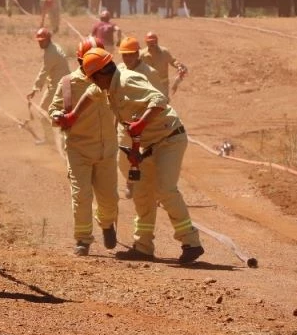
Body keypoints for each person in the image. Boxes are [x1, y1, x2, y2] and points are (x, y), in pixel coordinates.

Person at [79, 47, 205, 264]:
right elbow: (93, 96)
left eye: (93, 79)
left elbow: (159, 99)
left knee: (165, 189)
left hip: (169, 138)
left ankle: (191, 243)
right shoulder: (109, 87)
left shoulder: (127, 81)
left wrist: (141, 123)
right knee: (142, 193)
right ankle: (143, 246)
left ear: (101, 74)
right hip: (146, 145)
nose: (93, 84)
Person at [48, 39, 118, 257]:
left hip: (107, 148)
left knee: (109, 198)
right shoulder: (68, 83)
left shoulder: (113, 80)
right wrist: (57, 116)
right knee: (81, 195)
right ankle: (83, 239)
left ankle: (106, 224)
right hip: (79, 148)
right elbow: (54, 109)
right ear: (81, 60)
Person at [116, 36, 164, 199]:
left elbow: (161, 99)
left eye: (130, 54)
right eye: (124, 55)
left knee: (151, 157)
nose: (127, 58)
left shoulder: (150, 73)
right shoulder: (118, 70)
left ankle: (152, 186)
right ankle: (131, 182)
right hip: (126, 124)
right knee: (123, 159)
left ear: (138, 54)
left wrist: (146, 118)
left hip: (148, 123)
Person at [27, 28, 70, 145]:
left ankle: (50, 140)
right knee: (59, 113)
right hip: (62, 85)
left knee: (42, 111)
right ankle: (61, 137)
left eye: (42, 41)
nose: (40, 43)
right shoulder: (53, 48)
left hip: (58, 86)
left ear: (48, 39)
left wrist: (34, 89)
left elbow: (44, 71)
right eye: (39, 41)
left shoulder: (51, 53)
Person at [140, 32, 187, 97]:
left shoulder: (164, 52)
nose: (151, 43)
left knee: (162, 104)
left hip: (162, 86)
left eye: (153, 41)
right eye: (149, 42)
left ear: (157, 41)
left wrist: (179, 66)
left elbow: (173, 61)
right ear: (146, 42)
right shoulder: (142, 54)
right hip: (148, 85)